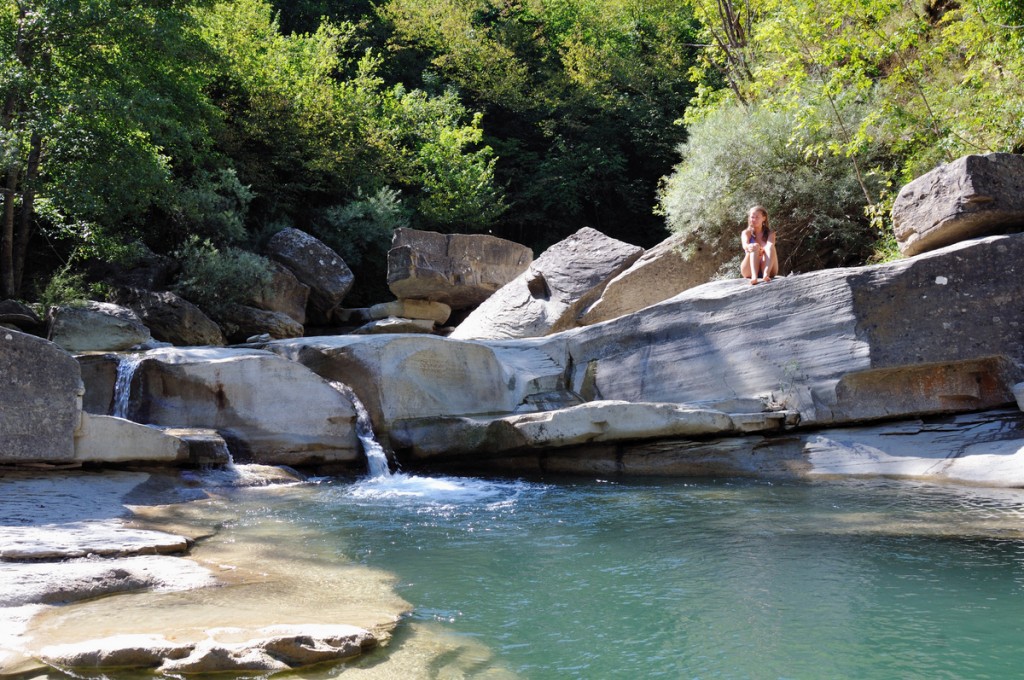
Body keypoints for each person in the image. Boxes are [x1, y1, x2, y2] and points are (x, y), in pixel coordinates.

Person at [740, 205, 778, 285]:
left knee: (770, 246)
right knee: (754, 246)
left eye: (757, 217)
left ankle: (766, 274)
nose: (754, 219)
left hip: (768, 267)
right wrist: (750, 247)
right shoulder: (746, 232)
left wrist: (762, 250)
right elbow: (745, 245)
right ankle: (754, 277)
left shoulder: (770, 233)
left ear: (764, 218)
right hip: (749, 270)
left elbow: (770, 246)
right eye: (752, 217)